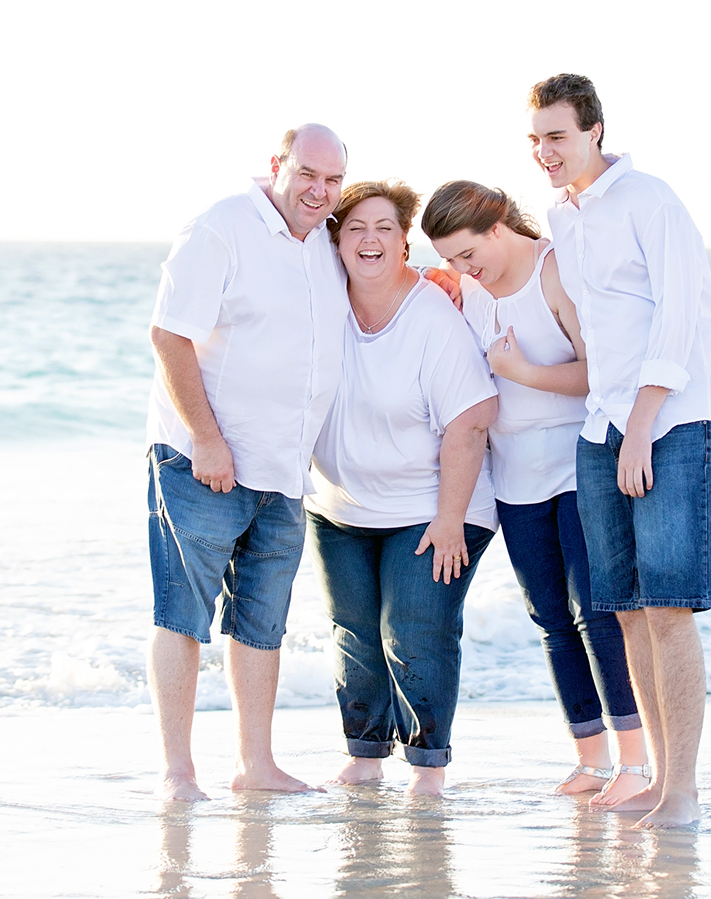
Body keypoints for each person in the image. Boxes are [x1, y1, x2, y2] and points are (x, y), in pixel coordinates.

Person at [529, 73, 711, 828]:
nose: (546, 152)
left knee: (669, 608)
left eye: (558, 136)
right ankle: (651, 778)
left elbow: (679, 314)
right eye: (536, 139)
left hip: (676, 421)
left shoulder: (651, 201)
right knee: (625, 614)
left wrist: (643, 422)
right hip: (602, 425)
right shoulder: (560, 214)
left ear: (594, 132)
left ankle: (682, 791)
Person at [420, 180, 650, 808]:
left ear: (498, 226)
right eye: (451, 260)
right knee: (549, 616)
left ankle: (637, 761)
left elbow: (601, 372)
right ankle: (590, 757)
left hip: (579, 464)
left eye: (468, 254)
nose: (464, 270)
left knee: (595, 610)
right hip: (513, 474)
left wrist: (524, 374)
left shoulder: (555, 270)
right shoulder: (464, 286)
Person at [145, 124, 349, 801]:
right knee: (183, 616)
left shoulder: (324, 239)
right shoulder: (221, 227)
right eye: (307, 176)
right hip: (203, 462)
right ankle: (178, 774)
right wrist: (206, 438)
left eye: (332, 180)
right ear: (276, 166)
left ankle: (255, 766)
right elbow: (170, 334)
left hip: (282, 472)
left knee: (262, 624)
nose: (319, 192)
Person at [305, 180, 499, 797]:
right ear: (334, 240)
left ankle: (429, 770)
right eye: (355, 226)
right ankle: (364, 757)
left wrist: (449, 520)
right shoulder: (321, 303)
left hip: (434, 506)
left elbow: (471, 421)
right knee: (353, 631)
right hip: (338, 506)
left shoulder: (430, 316)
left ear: (405, 242)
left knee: (415, 631)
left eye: (385, 227)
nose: (369, 239)